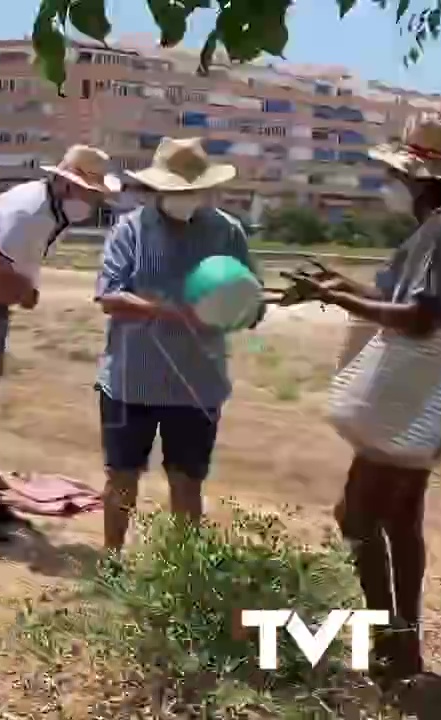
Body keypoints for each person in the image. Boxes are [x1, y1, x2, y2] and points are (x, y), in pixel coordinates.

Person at [288, 113, 441, 683]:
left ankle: (389, 640)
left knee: (357, 512)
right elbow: (403, 299)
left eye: (401, 175)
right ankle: (403, 644)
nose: (396, 184)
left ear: (423, 178)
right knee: (402, 515)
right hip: (437, 396)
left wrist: (340, 302)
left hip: (414, 389)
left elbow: (417, 317)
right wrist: (337, 286)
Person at [94, 137, 264, 554]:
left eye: (192, 190)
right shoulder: (130, 230)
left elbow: (252, 301)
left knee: (187, 482)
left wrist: (243, 310)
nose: (184, 199)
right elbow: (109, 297)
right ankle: (111, 564)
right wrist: (177, 313)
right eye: (176, 190)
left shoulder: (227, 232)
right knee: (122, 475)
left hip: (197, 384)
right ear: (156, 189)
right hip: (131, 379)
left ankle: (185, 573)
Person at [0, 145, 118, 543]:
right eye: (88, 192)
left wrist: (18, 292)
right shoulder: (28, 212)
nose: (92, 202)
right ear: (64, 184)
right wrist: (26, 294)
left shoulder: (44, 208)